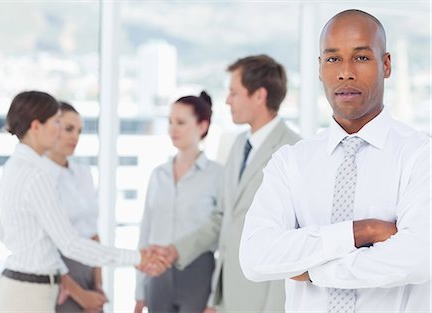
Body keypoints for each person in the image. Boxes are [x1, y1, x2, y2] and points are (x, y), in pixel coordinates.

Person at [240, 9, 431, 313]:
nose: (345, 72)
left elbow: (419, 258)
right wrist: (360, 232)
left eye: (361, 57)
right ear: (319, 68)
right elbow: (255, 257)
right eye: (333, 59)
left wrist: (314, 272)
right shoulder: (291, 162)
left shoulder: (421, 156)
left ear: (386, 64)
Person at [0, 91, 168, 313]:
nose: (59, 130)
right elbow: (69, 243)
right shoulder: (35, 175)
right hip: (30, 292)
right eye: (56, 122)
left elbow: (6, 233)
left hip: (23, 288)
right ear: (36, 126)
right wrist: (136, 257)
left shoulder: (15, 167)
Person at [154, 55, 301, 312]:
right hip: (231, 295)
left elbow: (292, 239)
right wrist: (176, 251)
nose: (227, 100)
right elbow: (224, 218)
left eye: (234, 93)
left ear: (259, 96)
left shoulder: (293, 150)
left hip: (266, 301)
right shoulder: (237, 146)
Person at [134, 91, 223, 313]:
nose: (172, 129)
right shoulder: (158, 175)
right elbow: (146, 230)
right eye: (170, 122)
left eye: (181, 122)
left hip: (198, 274)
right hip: (156, 274)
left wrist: (214, 300)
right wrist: (139, 290)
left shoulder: (218, 175)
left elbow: (222, 235)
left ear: (202, 126)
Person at [42, 102, 106, 312]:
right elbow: (44, 247)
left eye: (79, 131)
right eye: (69, 129)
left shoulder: (83, 173)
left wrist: (98, 286)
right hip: (60, 279)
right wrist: (79, 294)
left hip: (89, 271)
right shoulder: (40, 177)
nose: (75, 137)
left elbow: (93, 232)